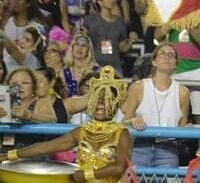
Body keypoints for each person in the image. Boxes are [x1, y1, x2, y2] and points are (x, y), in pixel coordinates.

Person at [0, 66, 132, 183]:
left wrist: (87, 174)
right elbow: (44, 147)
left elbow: (119, 167)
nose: (100, 105)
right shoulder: (81, 132)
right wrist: (9, 155)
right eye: (97, 100)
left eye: (106, 101)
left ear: (115, 104)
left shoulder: (122, 133)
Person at [122, 43, 190, 168]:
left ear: (176, 64)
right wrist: (133, 120)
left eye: (171, 55)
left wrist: (188, 128)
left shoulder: (183, 92)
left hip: (169, 149)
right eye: (162, 54)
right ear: (154, 62)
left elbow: (182, 127)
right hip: (140, 147)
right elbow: (124, 121)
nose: (167, 57)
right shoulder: (138, 87)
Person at [83, 0, 135, 76]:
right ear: (100, 2)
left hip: (114, 65)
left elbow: (122, 48)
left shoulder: (120, 22)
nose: (112, 0)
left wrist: (130, 42)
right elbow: (83, 41)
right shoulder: (89, 20)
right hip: (94, 65)